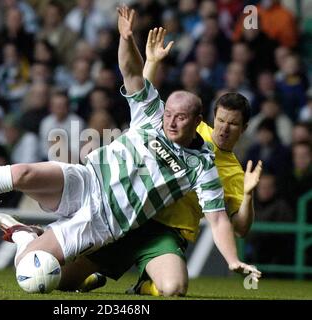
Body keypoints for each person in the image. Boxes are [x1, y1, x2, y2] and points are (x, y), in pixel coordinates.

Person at [0, 6, 260, 293]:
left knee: (34, 278)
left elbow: (216, 219)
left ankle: (26, 235)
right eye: (169, 114)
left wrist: (231, 260)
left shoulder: (202, 165)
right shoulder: (152, 112)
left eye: (181, 118)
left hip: (104, 221)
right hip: (86, 180)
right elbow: (131, 72)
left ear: (196, 119)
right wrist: (126, 38)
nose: (171, 122)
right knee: (23, 173)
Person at [62, 26, 263, 296]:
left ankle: (145, 285)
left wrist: (248, 195)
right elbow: (143, 104)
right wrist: (153, 62)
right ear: (210, 118)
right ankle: (88, 274)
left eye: (233, 124)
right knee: (60, 284)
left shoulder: (234, 172)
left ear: (244, 128)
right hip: (133, 213)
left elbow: (240, 228)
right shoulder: (191, 129)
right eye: (222, 120)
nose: (225, 128)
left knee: (174, 289)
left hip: (169, 232)